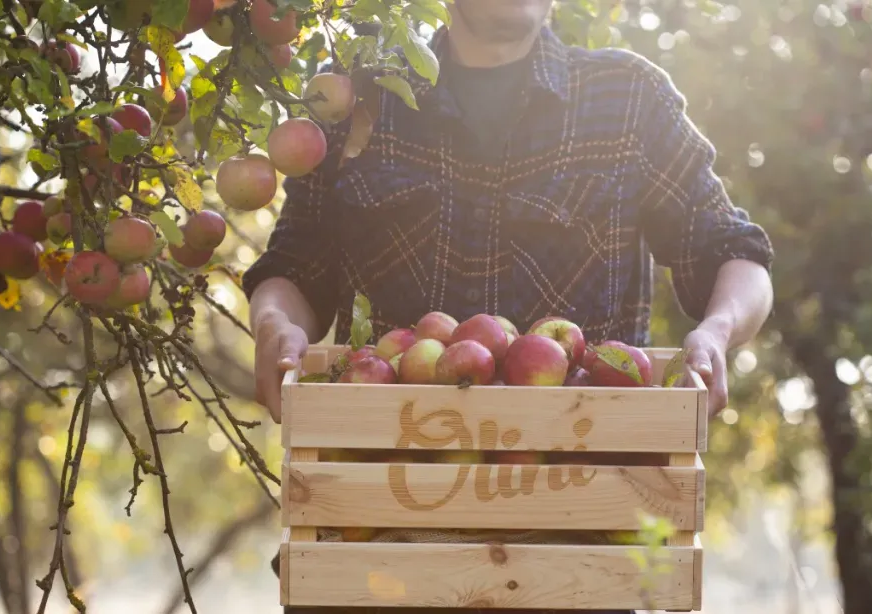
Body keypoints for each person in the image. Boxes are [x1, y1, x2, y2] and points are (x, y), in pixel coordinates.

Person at [247, 1, 774, 612]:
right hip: (378, 542)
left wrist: (718, 331)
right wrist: (274, 324)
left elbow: (735, 251)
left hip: (576, 556)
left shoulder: (628, 101)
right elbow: (294, 268)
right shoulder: (363, 98)